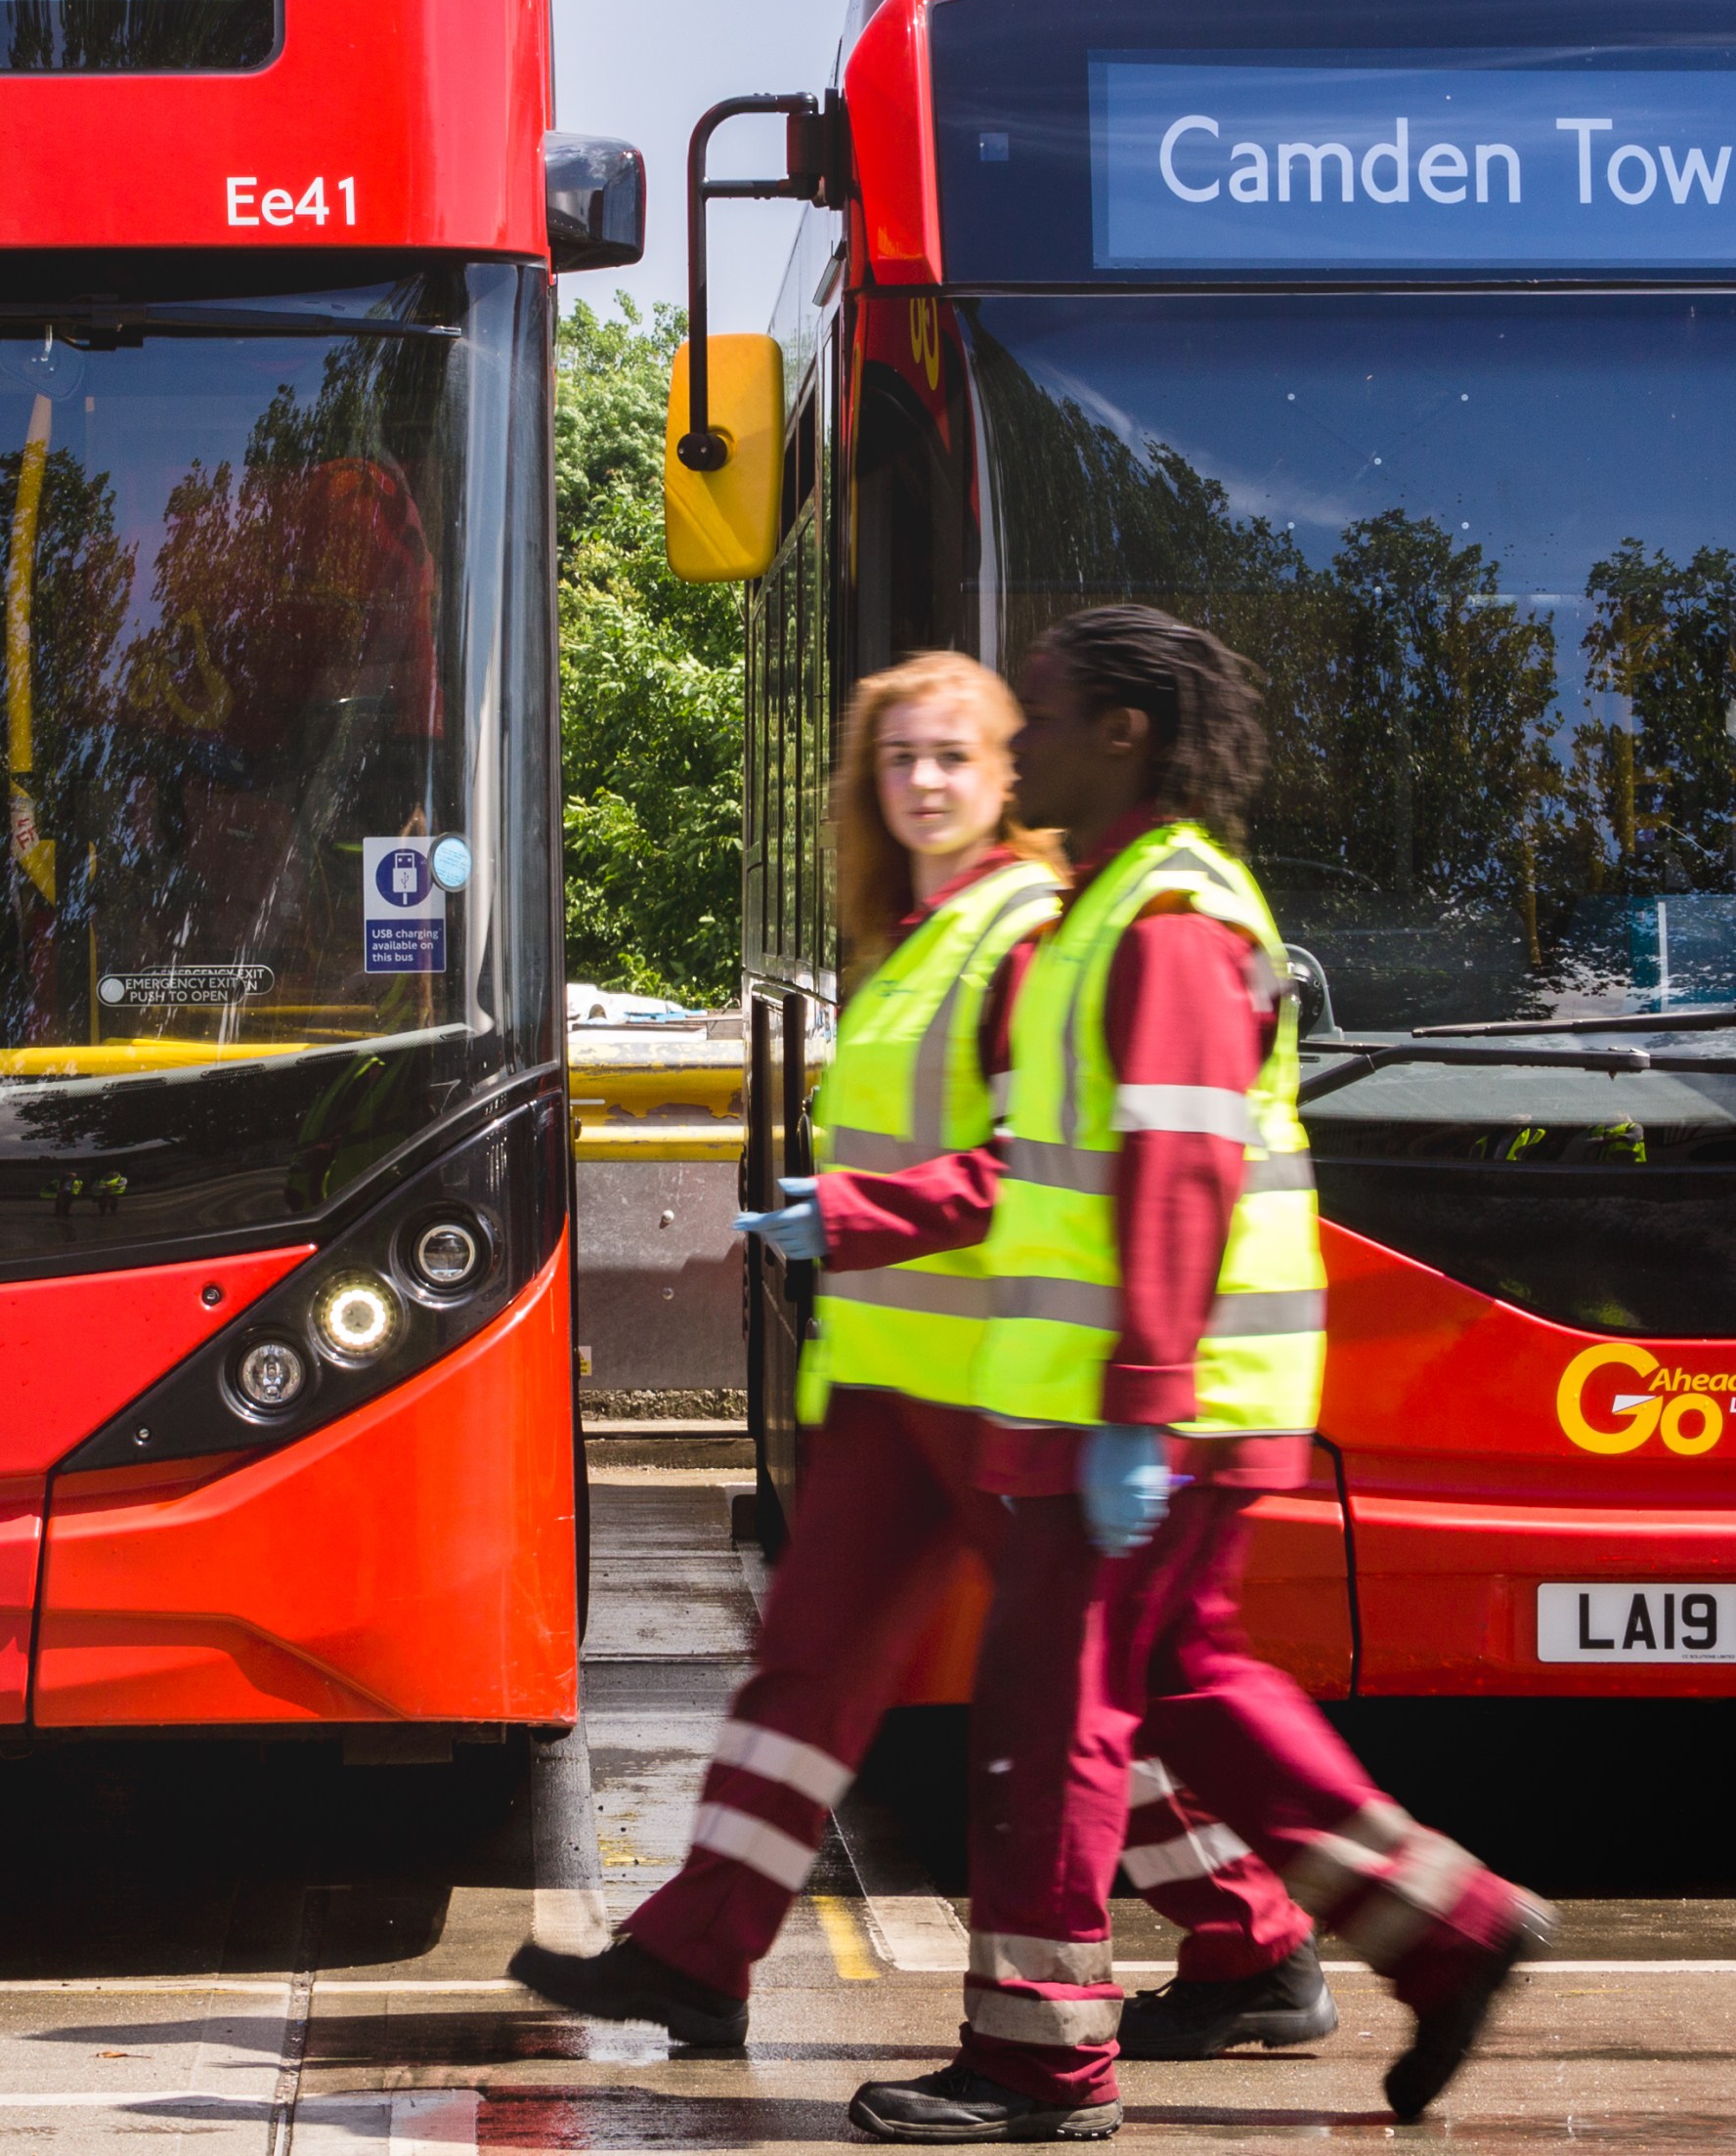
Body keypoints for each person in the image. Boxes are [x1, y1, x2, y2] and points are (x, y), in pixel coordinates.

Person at [507, 651, 1335, 2060]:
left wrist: (846, 1213)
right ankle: (700, 1953)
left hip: (995, 1381)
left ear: (1013, 770)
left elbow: (1030, 1161)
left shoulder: (1022, 930)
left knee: (1076, 1701)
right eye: (898, 758)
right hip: (901, 1385)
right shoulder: (917, 932)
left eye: (955, 753)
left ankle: (1263, 1935)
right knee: (806, 1675)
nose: (925, 781)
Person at [840, 608, 1550, 2148]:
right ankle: (1451, 1923)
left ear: (1129, 732)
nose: (1016, 744)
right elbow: (1053, 1166)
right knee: (1197, 1687)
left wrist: (1140, 1405)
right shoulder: (1111, 904)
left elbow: (1173, 1175)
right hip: (1147, 1395)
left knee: (1051, 1719)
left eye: (1043, 714)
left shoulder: (1162, 918)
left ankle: (1037, 2062)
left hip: (1143, 1399)